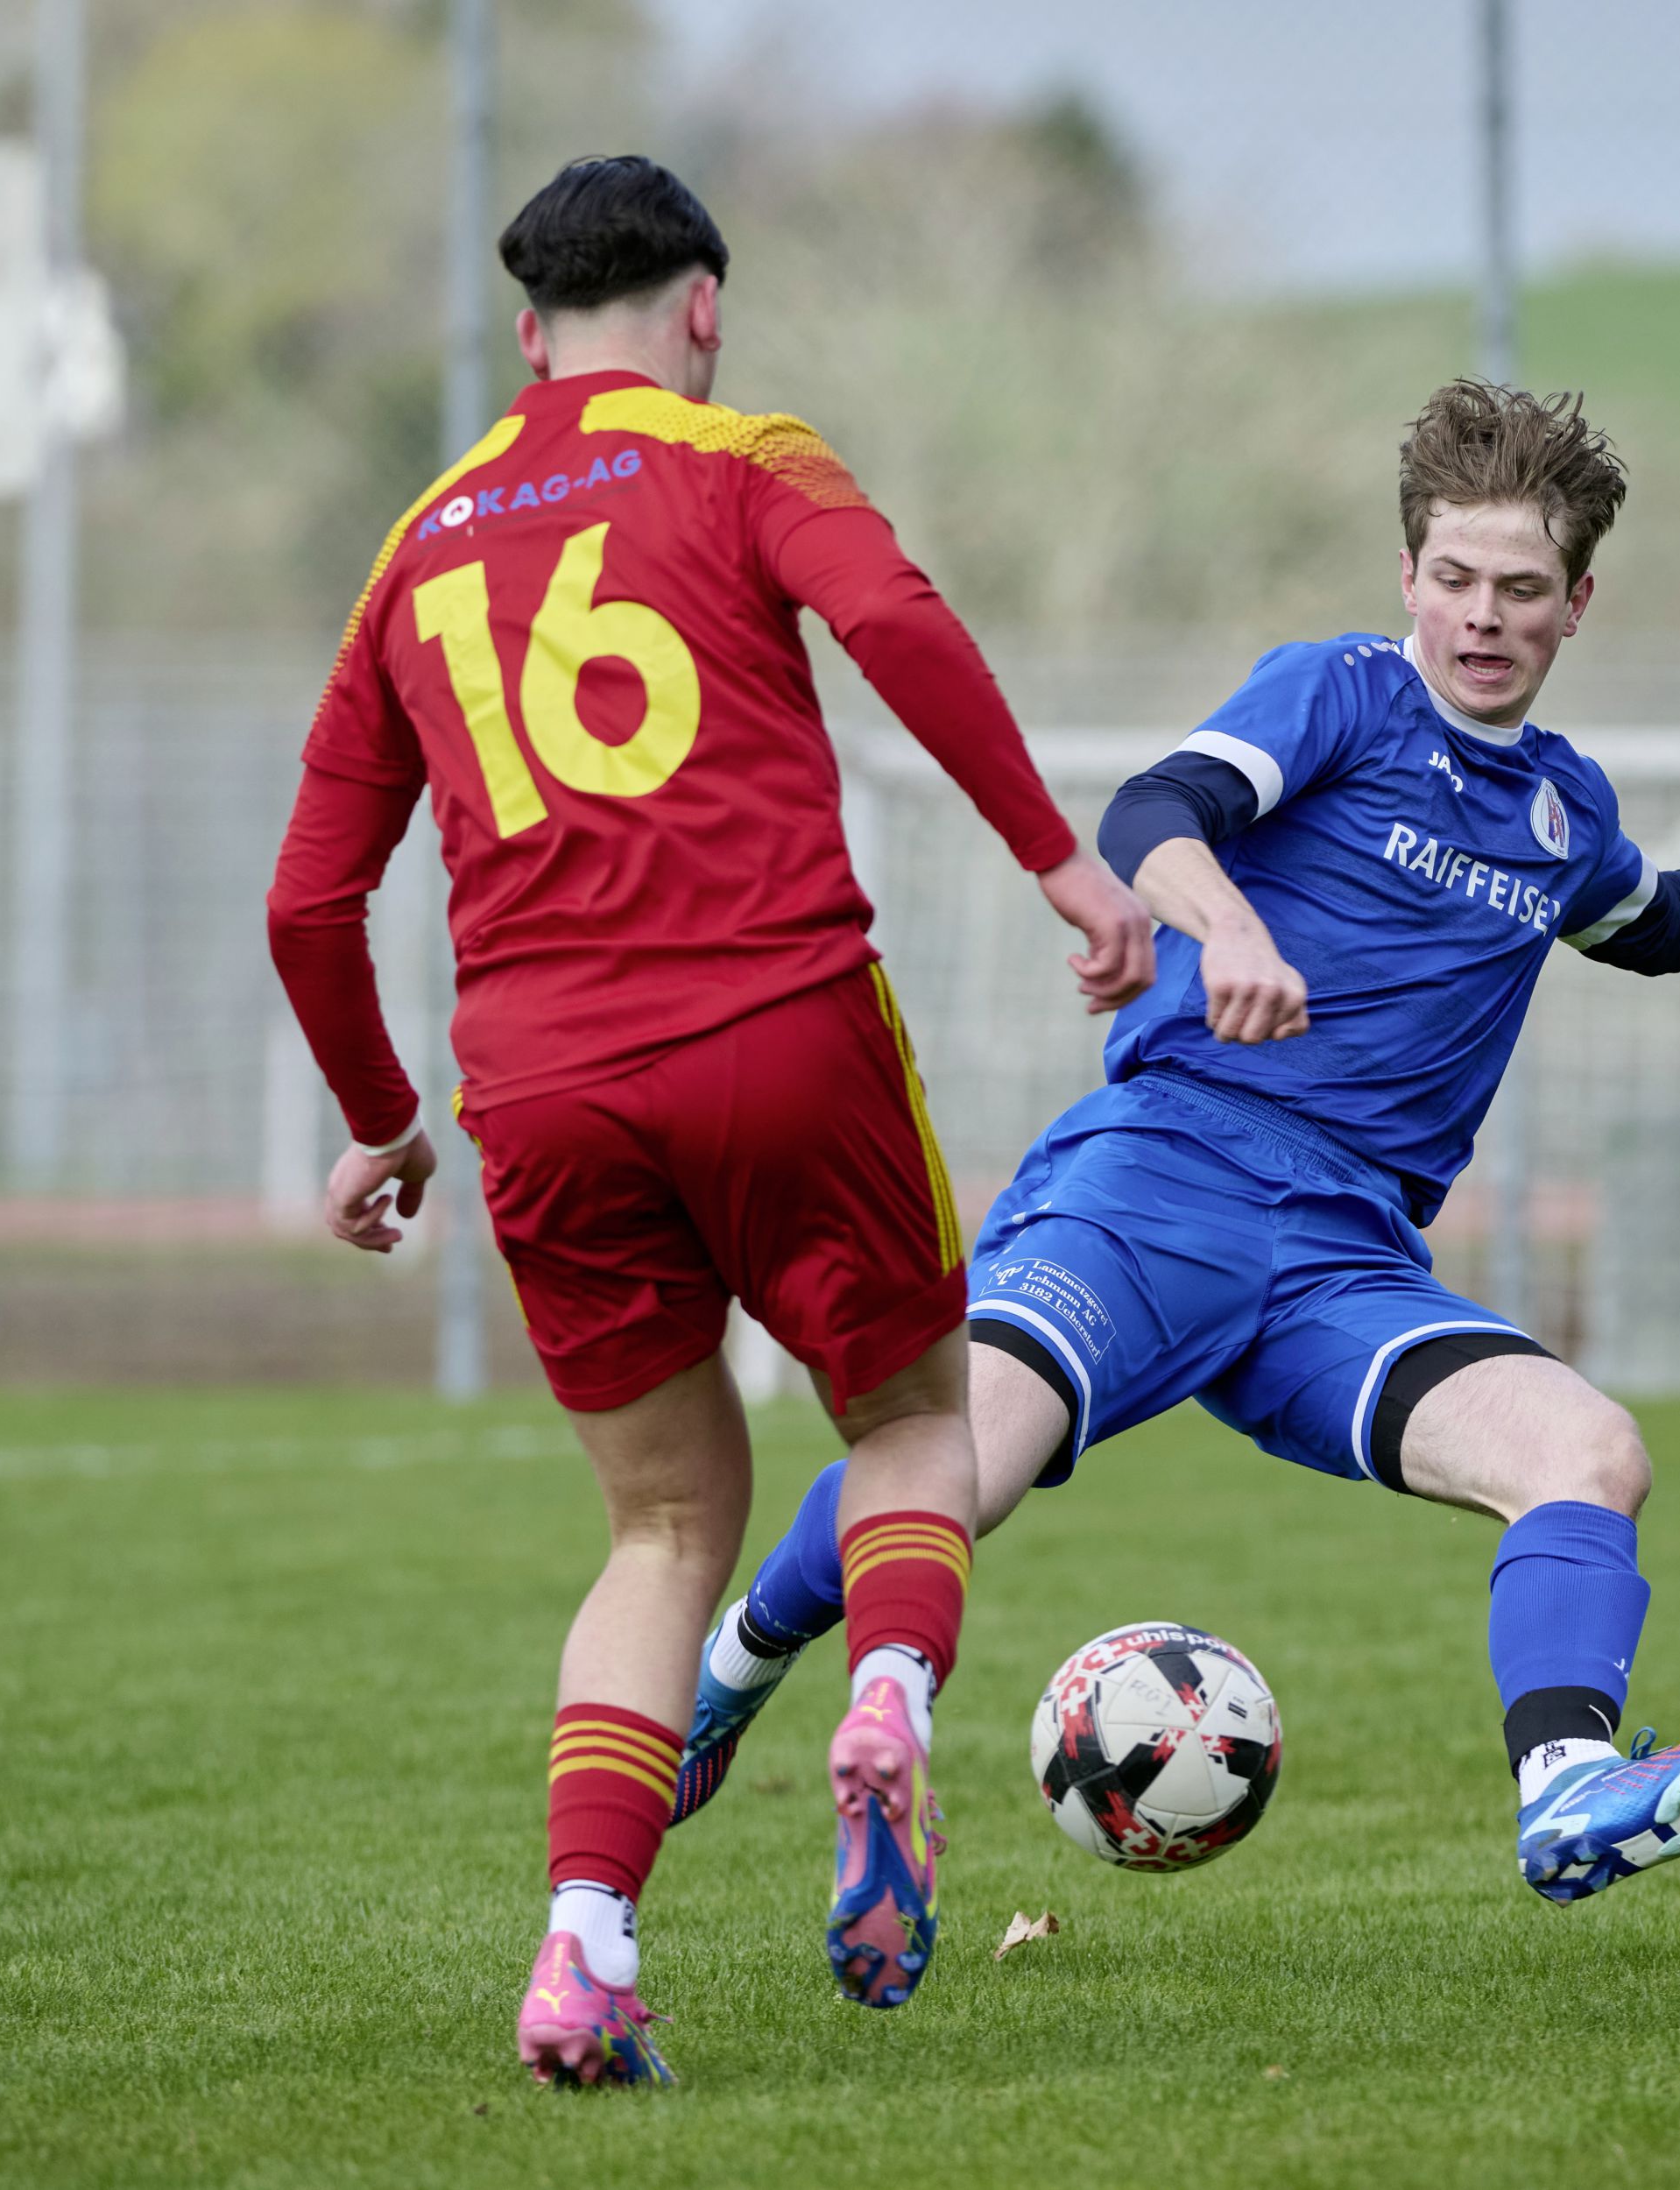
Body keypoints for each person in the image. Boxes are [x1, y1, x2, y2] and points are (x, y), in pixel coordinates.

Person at [672, 378, 1680, 1904]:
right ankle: (736, 1664)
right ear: (1409, 578)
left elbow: (1675, 924)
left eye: (1520, 589)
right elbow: (1152, 813)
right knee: (951, 1471)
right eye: (1454, 580)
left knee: (1591, 1451)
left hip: (1345, 1263)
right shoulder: (1340, 694)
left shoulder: (1563, 811)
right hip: (1165, 1178)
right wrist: (1228, 929)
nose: (1481, 617)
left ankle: (1569, 1792)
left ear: (1580, 602)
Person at [265, 156, 1152, 2080]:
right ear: (705, 306)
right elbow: (900, 625)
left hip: (542, 1087)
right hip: (777, 1023)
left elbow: (306, 900)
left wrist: (381, 1113)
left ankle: (583, 1945)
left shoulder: (417, 538)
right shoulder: (746, 453)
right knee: (914, 1415)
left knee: (663, 1523)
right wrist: (1065, 868)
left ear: (524, 335)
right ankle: (890, 1702)